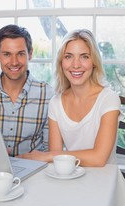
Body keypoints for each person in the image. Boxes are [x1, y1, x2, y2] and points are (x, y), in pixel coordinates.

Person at [19, 29, 121, 167]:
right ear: (61, 63)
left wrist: (46, 155)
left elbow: (99, 158)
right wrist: (51, 156)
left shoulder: (109, 99)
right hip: (71, 177)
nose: (76, 64)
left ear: (94, 62)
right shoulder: (56, 103)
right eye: (68, 57)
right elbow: (56, 157)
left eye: (84, 56)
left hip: (106, 181)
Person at [0, 24, 54, 157]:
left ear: (30, 54)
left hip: (35, 172)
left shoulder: (47, 95)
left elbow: (50, 150)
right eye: (7, 54)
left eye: (20, 54)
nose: (14, 62)